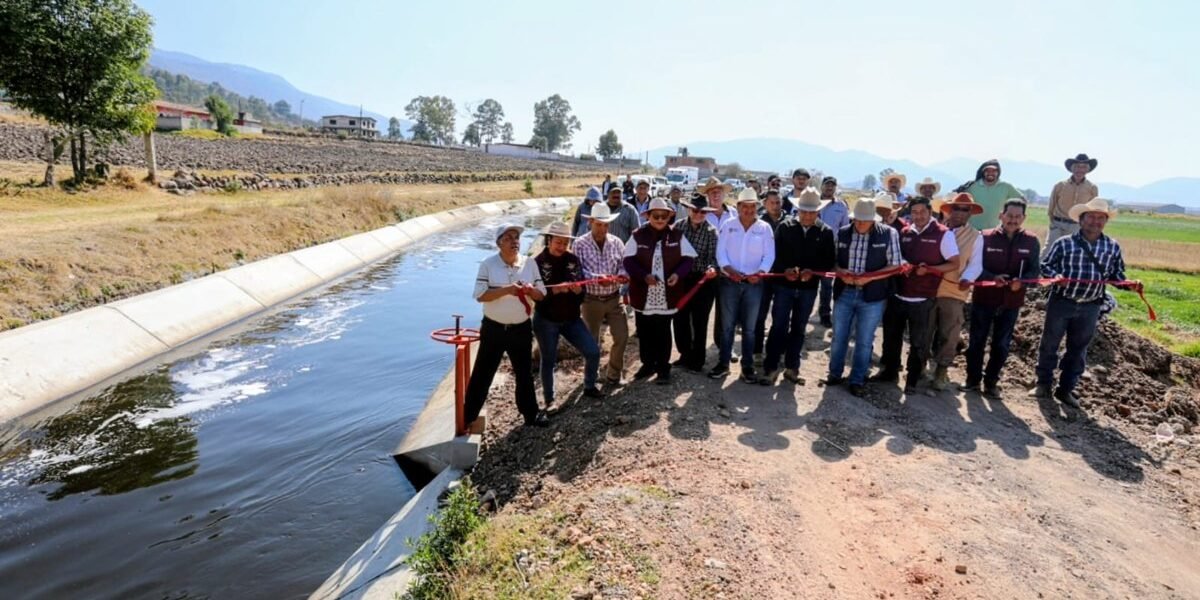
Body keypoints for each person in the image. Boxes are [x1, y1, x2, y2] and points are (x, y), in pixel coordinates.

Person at [1030, 198, 1133, 408]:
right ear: (1081, 219)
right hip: (1062, 301)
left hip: (1091, 305)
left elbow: (1117, 275)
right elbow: (1046, 266)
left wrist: (1130, 285)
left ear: (1105, 221)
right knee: (1049, 344)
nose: (1095, 221)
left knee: (1078, 350)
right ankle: (1043, 384)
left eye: (1100, 218)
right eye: (1091, 217)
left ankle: (1066, 389)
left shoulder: (1112, 247)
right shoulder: (1064, 243)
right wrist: (1056, 276)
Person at [872, 195, 961, 394]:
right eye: (914, 212)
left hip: (923, 298)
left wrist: (930, 270)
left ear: (931, 212)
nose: (918, 216)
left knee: (918, 342)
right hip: (898, 294)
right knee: (891, 337)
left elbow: (954, 263)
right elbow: (895, 257)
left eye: (922, 212)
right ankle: (890, 372)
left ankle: (911, 380)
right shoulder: (904, 232)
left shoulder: (943, 234)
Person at [465, 224, 549, 429]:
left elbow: (542, 294)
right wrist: (508, 290)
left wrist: (530, 291)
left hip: (520, 329)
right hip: (493, 329)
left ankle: (531, 414)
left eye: (517, 237)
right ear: (499, 243)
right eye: (509, 237)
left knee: (524, 374)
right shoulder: (488, 264)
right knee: (483, 373)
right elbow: (481, 295)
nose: (515, 241)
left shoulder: (529, 263)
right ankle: (468, 417)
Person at [825, 194, 903, 397]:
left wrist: (869, 278)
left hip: (873, 296)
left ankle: (857, 379)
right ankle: (834, 373)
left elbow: (896, 265)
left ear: (873, 220)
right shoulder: (842, 233)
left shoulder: (889, 234)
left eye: (864, 220)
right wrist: (841, 272)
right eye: (857, 219)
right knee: (839, 336)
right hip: (845, 292)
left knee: (865, 339)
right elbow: (832, 262)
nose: (859, 224)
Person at [964, 199, 1040, 397]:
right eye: (1009, 216)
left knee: (1001, 344)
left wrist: (1021, 282)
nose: (1013, 220)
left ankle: (991, 383)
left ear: (1023, 218)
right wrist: (991, 278)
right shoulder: (985, 237)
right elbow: (974, 267)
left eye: (1017, 217)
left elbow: (1034, 272)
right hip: (984, 299)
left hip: (1011, 302)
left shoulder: (1031, 241)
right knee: (977, 341)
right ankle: (972, 380)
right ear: (1001, 215)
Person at [763, 187, 836, 384]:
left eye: (811, 211)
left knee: (799, 327)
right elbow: (773, 256)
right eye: (804, 211)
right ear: (798, 210)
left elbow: (829, 261)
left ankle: (792, 367)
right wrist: (785, 270)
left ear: (818, 212)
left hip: (809, 288)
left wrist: (812, 272)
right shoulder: (785, 227)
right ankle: (770, 366)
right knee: (778, 326)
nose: (807, 215)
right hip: (783, 286)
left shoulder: (826, 232)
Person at [624, 198, 697, 384]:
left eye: (663, 216)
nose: (659, 219)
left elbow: (688, 259)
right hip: (643, 292)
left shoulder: (677, 235)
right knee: (644, 329)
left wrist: (678, 275)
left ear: (669, 217)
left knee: (663, 330)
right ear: (648, 216)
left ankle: (663, 368)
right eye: (655, 216)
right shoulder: (637, 235)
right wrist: (643, 276)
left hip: (667, 293)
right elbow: (628, 260)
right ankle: (647, 364)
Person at [532, 222, 603, 407]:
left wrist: (578, 290)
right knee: (548, 360)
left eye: (565, 242)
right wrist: (554, 291)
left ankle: (589, 386)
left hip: (571, 319)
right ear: (549, 240)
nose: (562, 246)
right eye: (558, 242)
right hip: (545, 320)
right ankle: (549, 399)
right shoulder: (537, 262)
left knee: (593, 351)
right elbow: (535, 297)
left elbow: (583, 291)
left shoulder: (573, 259)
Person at [712, 188, 775, 383]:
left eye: (752, 206)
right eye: (744, 206)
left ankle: (747, 367)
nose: (748, 210)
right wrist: (728, 269)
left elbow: (769, 255)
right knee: (727, 326)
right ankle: (723, 364)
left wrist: (761, 272)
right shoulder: (729, 225)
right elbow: (720, 252)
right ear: (738, 207)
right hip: (730, 282)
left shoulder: (764, 228)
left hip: (754, 284)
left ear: (757, 207)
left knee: (750, 328)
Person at [928, 193, 984, 390]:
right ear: (948, 210)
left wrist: (968, 278)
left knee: (949, 332)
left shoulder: (976, 237)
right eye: (956, 208)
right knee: (924, 331)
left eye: (965, 209)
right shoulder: (935, 229)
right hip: (928, 288)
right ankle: (918, 368)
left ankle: (941, 371)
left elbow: (976, 264)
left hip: (953, 290)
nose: (960, 213)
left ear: (970, 213)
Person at [575, 203, 632, 385]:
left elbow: (624, 265)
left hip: (614, 297)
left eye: (606, 224)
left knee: (622, 336)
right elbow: (577, 272)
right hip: (591, 300)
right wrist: (596, 278)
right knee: (591, 343)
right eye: (599, 224)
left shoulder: (617, 243)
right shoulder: (579, 244)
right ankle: (590, 380)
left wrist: (622, 275)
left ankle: (614, 374)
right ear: (590, 222)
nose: (603, 228)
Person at [672, 195, 720, 372]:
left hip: (703, 281)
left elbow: (714, 258)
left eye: (702, 211)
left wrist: (712, 269)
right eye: (695, 210)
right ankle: (684, 355)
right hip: (681, 280)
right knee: (680, 319)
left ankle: (698, 360)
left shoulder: (712, 232)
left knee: (700, 321)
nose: (699, 214)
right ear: (689, 210)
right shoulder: (678, 227)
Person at [752, 189, 788, 363]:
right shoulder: (758, 223)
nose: (775, 206)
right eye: (772, 202)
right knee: (759, 315)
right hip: (762, 276)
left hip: (782, 276)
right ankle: (756, 350)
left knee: (780, 316)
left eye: (778, 202)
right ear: (765, 204)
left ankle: (777, 351)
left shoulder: (790, 222)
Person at [816, 176, 849, 327]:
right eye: (827, 185)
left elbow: (845, 230)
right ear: (821, 186)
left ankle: (824, 313)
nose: (829, 188)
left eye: (832, 186)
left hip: (831, 250)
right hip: (812, 248)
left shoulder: (841, 206)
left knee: (827, 283)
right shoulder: (814, 202)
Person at [1047, 153, 1099, 244]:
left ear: (1087, 170)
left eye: (1083, 167)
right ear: (1072, 168)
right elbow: (1051, 206)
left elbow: (1092, 210)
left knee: (1072, 254)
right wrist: (1053, 223)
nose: (1080, 170)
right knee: (1049, 251)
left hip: (1077, 226)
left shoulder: (1092, 188)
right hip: (1058, 224)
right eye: (1077, 167)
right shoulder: (1060, 185)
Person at [958, 160, 1024, 229]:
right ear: (983, 172)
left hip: (995, 231)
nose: (990, 173)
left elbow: (1022, 200)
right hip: (973, 230)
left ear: (998, 172)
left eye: (993, 171)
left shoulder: (1006, 187)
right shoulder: (972, 186)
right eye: (987, 171)